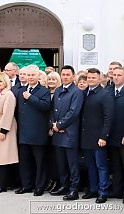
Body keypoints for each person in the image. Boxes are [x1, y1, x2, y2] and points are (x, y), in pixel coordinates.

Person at [15, 65, 51, 196]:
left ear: (38, 76)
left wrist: (30, 97)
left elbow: (46, 106)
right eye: (28, 75)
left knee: (40, 163)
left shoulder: (44, 91)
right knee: (25, 161)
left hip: (38, 133)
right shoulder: (21, 90)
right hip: (23, 132)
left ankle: (39, 186)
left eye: (32, 75)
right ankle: (26, 185)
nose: (30, 77)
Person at [50, 65, 84, 201]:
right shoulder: (58, 90)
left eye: (68, 75)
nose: (65, 77)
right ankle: (64, 186)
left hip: (69, 133)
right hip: (58, 133)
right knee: (61, 163)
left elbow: (73, 112)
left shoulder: (77, 92)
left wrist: (59, 125)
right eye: (63, 74)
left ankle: (74, 189)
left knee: (72, 163)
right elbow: (52, 110)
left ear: (73, 76)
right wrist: (53, 124)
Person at [80, 68, 113, 204]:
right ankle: (93, 190)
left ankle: (102, 192)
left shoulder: (105, 95)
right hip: (86, 137)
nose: (91, 80)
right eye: (89, 77)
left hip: (99, 138)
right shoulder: (84, 93)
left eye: (94, 78)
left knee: (101, 166)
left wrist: (104, 136)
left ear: (99, 79)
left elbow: (108, 117)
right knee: (90, 166)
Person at [0, 73, 19, 193]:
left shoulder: (8, 94)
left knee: (4, 157)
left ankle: (2, 185)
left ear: (6, 82)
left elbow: (8, 113)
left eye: (0, 81)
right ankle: (4, 183)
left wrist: (3, 130)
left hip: (4, 126)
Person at [108, 67, 124, 201]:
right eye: (114, 75)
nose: (116, 77)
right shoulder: (108, 91)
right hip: (111, 136)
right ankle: (117, 191)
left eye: (119, 75)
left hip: (123, 135)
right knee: (116, 165)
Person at [45, 71, 61, 192]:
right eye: (49, 79)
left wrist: (53, 126)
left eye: (53, 79)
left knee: (57, 159)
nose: (51, 82)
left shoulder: (59, 92)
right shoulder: (45, 92)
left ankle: (57, 181)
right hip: (46, 129)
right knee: (49, 158)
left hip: (58, 129)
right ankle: (50, 180)